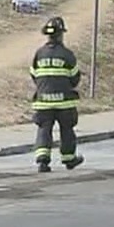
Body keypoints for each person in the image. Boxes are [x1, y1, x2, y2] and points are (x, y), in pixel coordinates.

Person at [30, 16, 84, 173]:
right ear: (60, 35)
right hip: (64, 103)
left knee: (44, 129)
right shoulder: (67, 55)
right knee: (67, 129)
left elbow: (34, 75)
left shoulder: (39, 54)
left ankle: (42, 160)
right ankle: (69, 159)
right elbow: (75, 78)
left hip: (43, 101)